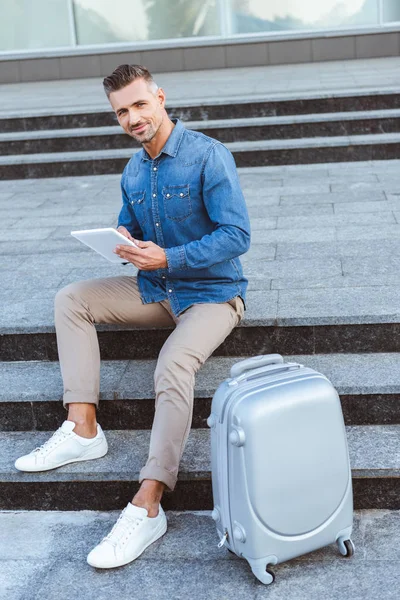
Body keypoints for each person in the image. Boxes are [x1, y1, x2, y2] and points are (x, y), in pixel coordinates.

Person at [14, 64, 251, 569]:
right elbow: (134, 225)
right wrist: (123, 241)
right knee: (71, 298)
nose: (133, 118)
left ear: (160, 98)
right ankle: (82, 430)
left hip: (212, 295)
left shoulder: (209, 155)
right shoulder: (134, 170)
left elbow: (237, 237)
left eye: (140, 105)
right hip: (156, 288)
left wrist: (169, 257)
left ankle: (148, 504)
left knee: (171, 367)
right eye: (122, 111)